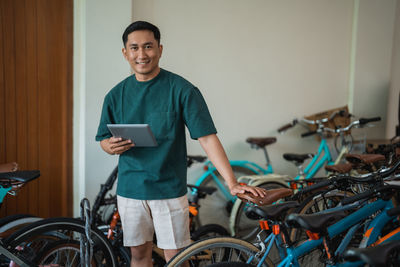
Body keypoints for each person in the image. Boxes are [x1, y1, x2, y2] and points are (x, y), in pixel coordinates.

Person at [96, 21, 267, 267]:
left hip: (169, 190)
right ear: (125, 53)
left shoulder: (182, 90)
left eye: (148, 46)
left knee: (176, 259)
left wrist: (232, 182)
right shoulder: (115, 95)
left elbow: (207, 137)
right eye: (134, 48)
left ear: (160, 49)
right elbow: (103, 138)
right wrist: (109, 146)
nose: (141, 54)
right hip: (131, 190)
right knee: (139, 256)